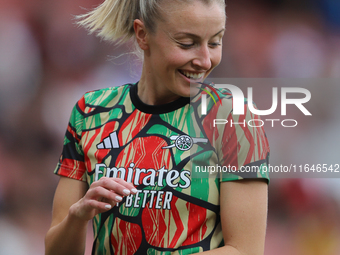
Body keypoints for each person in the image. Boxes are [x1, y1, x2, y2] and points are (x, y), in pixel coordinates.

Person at [45, 0, 270, 254]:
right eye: (187, 43)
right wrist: (78, 216)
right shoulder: (91, 112)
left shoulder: (232, 117)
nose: (205, 60)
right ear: (142, 34)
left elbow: (245, 250)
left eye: (215, 42)